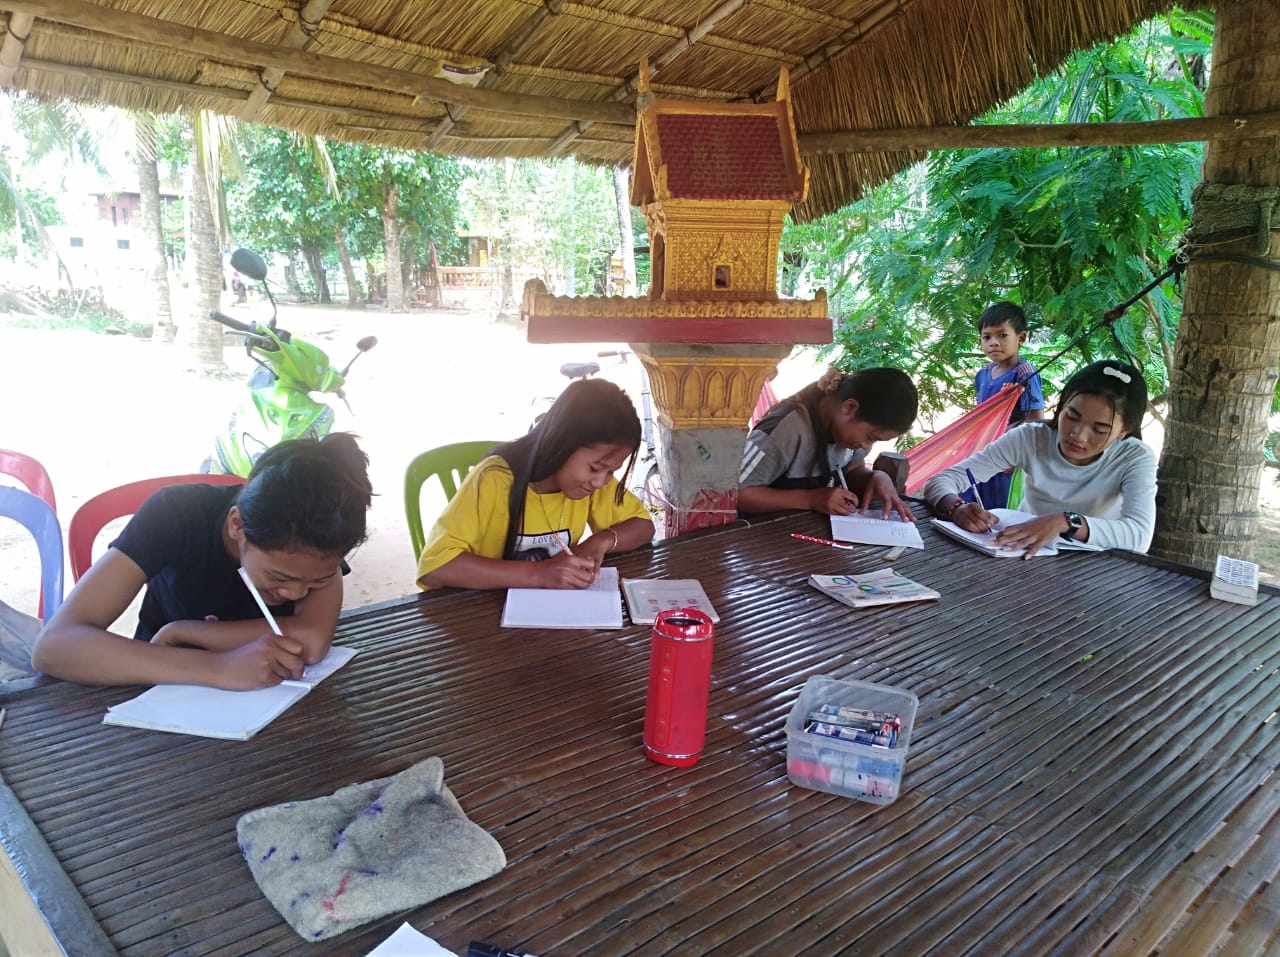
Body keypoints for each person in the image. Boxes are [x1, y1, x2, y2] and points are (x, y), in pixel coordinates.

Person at [32, 433, 373, 689]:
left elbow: (311, 642)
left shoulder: (323, 533)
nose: (297, 593)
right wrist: (216, 668)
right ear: (237, 525)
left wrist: (185, 632)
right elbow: (55, 646)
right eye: (279, 577)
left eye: (318, 581)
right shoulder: (176, 514)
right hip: (156, 690)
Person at [417, 378, 655, 590]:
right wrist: (538, 573)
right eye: (595, 468)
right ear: (561, 443)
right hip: (482, 608)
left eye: (611, 471)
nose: (601, 481)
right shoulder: (495, 479)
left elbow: (644, 526)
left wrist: (601, 541)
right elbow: (436, 568)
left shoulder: (591, 484)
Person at [924, 359, 1155, 556]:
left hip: (1095, 567)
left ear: (1125, 430)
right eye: (1072, 416)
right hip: (1020, 555)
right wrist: (956, 507)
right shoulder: (1031, 438)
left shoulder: (1134, 458)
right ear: (1061, 406)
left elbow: (1139, 536)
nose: (1078, 435)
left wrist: (1066, 522)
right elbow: (942, 480)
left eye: (1100, 429)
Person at [738, 366, 919, 519]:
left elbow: (853, 469)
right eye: (870, 437)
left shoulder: (847, 435)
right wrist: (811, 499)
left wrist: (875, 477)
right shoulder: (786, 430)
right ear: (849, 407)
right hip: (759, 536)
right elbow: (737, 493)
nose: (866, 446)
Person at [971, 301, 1046, 508]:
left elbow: (1035, 419)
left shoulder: (1024, 373)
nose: (993, 343)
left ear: (1020, 338)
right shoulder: (983, 374)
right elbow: (980, 416)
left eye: (1002, 335)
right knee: (977, 498)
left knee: (1000, 504)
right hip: (983, 450)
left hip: (1009, 453)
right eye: (986, 337)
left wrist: (1003, 435)